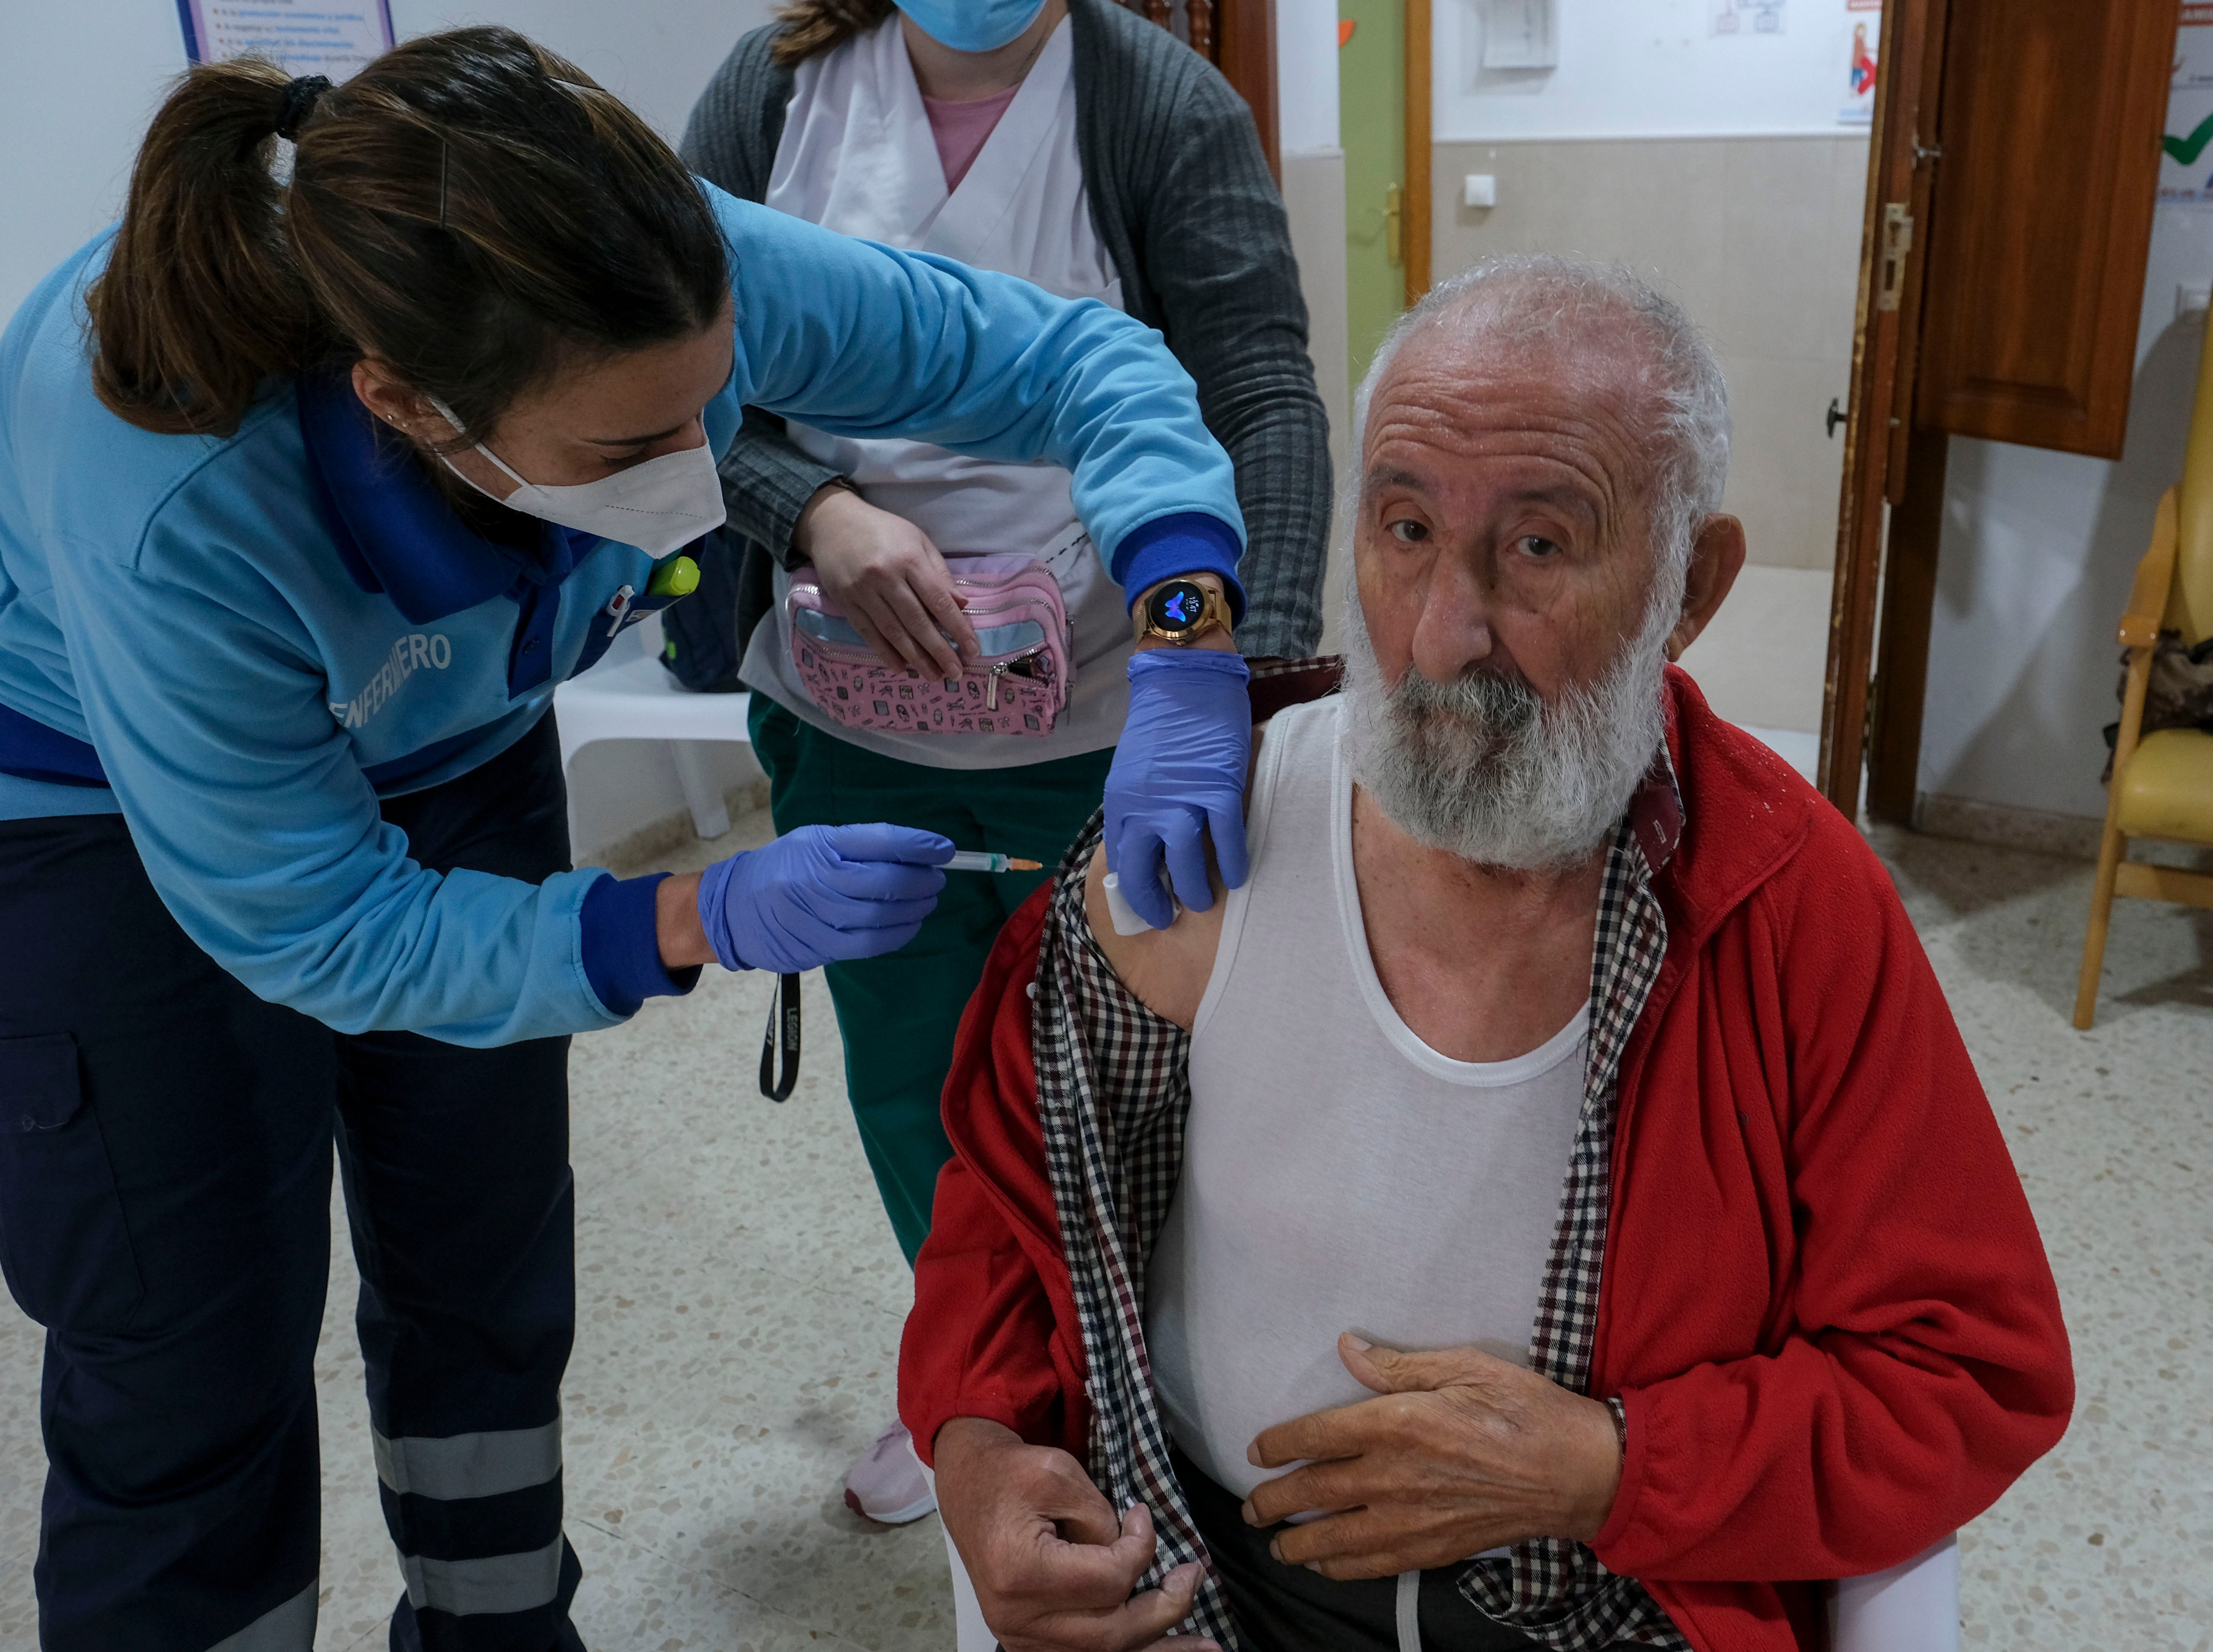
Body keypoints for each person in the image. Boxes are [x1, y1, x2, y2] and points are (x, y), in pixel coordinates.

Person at [0, 27, 1254, 1652]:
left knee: (484, 1255)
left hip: (455, 735)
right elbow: (320, 928)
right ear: (407, 406)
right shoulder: (172, 474)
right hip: (99, 803)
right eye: (624, 451)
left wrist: (1187, 625)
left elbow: (1083, 361)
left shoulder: (674, 266)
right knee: (190, 1338)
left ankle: (502, 1628)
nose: (695, 475)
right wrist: (689, 919)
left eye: (706, 414)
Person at [897, 258, 2076, 1652]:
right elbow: (1009, 1205)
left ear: (1690, 585)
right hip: (1201, 1582)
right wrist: (973, 1451)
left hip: (1617, 1593)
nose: (1442, 635)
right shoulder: (1209, 834)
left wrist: (1612, 1466)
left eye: (1537, 548)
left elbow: (1966, 1371)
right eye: (1403, 529)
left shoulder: (1782, 903)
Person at [679, 0, 1330, 1520]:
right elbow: (674, 379)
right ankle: (975, 1388)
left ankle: (1149, 1386)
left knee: (1124, 1075)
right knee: (913, 1082)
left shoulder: (1152, 104)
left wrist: (1239, 671)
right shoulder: (775, 97)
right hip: (853, 711)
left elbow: (1261, 400)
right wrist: (816, 510)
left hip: (1109, 701)